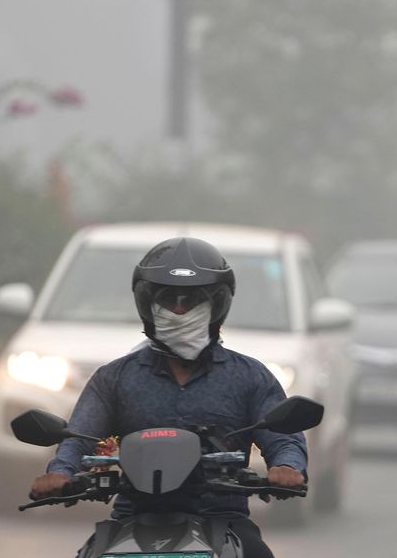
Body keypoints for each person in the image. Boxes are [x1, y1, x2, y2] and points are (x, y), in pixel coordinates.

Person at [29, 236, 307, 558]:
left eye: (190, 300)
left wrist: (287, 466)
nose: (178, 309)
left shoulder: (249, 376)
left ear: (217, 304)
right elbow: (79, 438)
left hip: (223, 522)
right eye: (167, 299)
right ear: (147, 303)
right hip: (131, 520)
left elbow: (283, 438)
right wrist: (61, 473)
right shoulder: (115, 378)